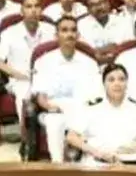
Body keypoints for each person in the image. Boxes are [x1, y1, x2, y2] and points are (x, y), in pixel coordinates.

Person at [31, 17, 101, 162]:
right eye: (64, 30)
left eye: (73, 30)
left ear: (78, 35)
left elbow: (97, 96)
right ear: (56, 36)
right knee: (55, 122)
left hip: (83, 110)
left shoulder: (90, 63)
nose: (70, 34)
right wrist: (54, 108)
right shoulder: (44, 61)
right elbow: (41, 98)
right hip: (55, 110)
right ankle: (58, 166)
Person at [66, 64, 136, 166]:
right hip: (97, 162)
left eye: (121, 79)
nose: (117, 84)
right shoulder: (91, 108)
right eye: (111, 80)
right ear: (104, 84)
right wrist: (97, 153)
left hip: (130, 162)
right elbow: (71, 136)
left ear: (127, 84)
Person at [0, 0, 56, 124]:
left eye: (37, 6)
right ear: (21, 11)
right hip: (21, 79)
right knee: (24, 94)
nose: (33, 10)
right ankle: (26, 137)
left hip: (48, 77)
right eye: (29, 6)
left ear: (41, 10)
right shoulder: (10, 32)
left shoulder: (51, 30)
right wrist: (18, 75)